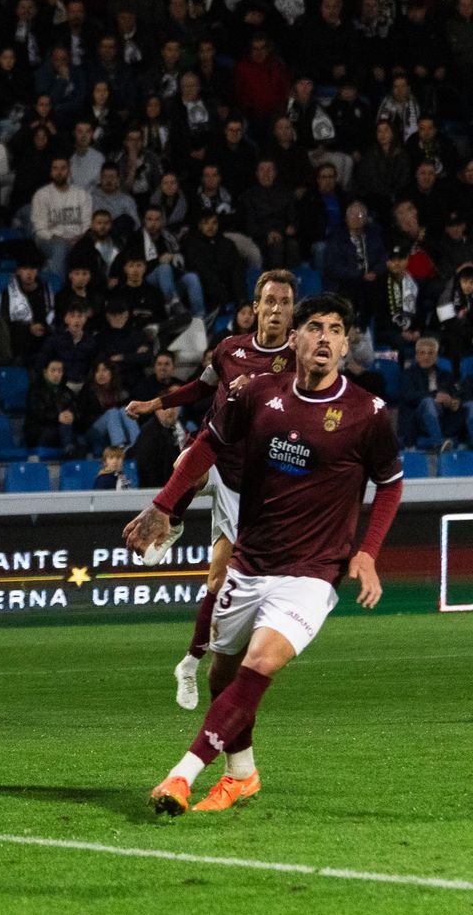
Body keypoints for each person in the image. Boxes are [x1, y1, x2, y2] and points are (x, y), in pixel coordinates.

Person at [129, 293, 403, 815]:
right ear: (294, 338)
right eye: (315, 327)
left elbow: (389, 485)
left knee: (259, 663)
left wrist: (366, 553)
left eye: (336, 329)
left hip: (313, 573)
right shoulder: (256, 393)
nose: (325, 337)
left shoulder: (368, 413)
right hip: (251, 562)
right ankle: (241, 774)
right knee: (220, 677)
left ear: (346, 344)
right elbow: (207, 445)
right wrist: (164, 505)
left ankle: (180, 777)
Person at [127, 270, 297, 710]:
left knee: (218, 583)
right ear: (255, 306)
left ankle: (189, 663)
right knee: (186, 463)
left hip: (251, 484)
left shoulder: (299, 361)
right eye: (270, 300)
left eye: (285, 302)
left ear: (292, 311)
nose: (276, 309)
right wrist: (155, 403)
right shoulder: (229, 350)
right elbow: (201, 388)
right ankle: (174, 522)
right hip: (215, 454)